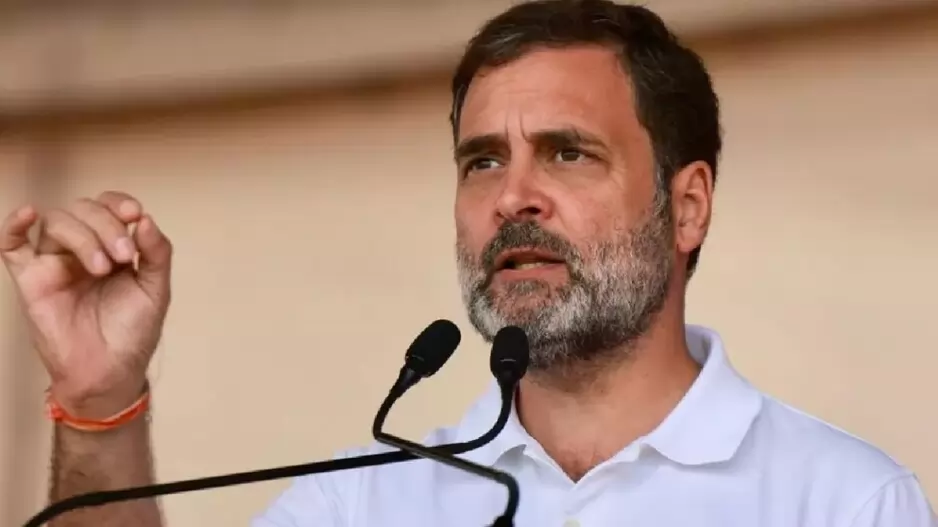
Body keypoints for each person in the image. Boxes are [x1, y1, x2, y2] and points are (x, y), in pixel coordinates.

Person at [1, 1, 935, 526]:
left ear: (685, 206)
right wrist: (99, 399)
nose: (513, 195)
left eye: (568, 152)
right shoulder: (369, 498)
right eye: (482, 160)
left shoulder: (843, 501)